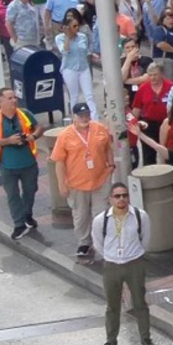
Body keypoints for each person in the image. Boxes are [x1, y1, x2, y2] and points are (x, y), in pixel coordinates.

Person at [91, 181, 152, 345]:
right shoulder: (100, 220)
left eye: (125, 195)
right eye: (117, 196)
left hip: (134, 263)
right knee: (112, 306)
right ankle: (111, 341)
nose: (121, 199)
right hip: (111, 265)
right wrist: (111, 257)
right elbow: (98, 243)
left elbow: (145, 240)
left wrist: (136, 254)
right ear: (111, 199)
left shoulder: (140, 216)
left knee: (140, 302)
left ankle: (145, 337)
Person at [52, 103, 116, 263]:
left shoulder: (100, 128)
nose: (84, 118)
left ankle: (101, 241)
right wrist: (61, 184)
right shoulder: (65, 135)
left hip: (100, 179)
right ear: (74, 117)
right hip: (76, 183)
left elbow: (108, 147)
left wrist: (111, 165)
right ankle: (84, 243)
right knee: (81, 216)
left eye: (87, 115)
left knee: (100, 214)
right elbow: (59, 162)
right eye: (81, 116)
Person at [0, 86, 41, 240]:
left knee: (31, 190)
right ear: (1, 101)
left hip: (28, 163)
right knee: (12, 195)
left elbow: (38, 128)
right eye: (10, 98)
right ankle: (19, 224)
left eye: (14, 97)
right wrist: (8, 141)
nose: (14, 101)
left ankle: (27, 214)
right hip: (7, 165)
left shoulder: (25, 114)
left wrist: (33, 137)